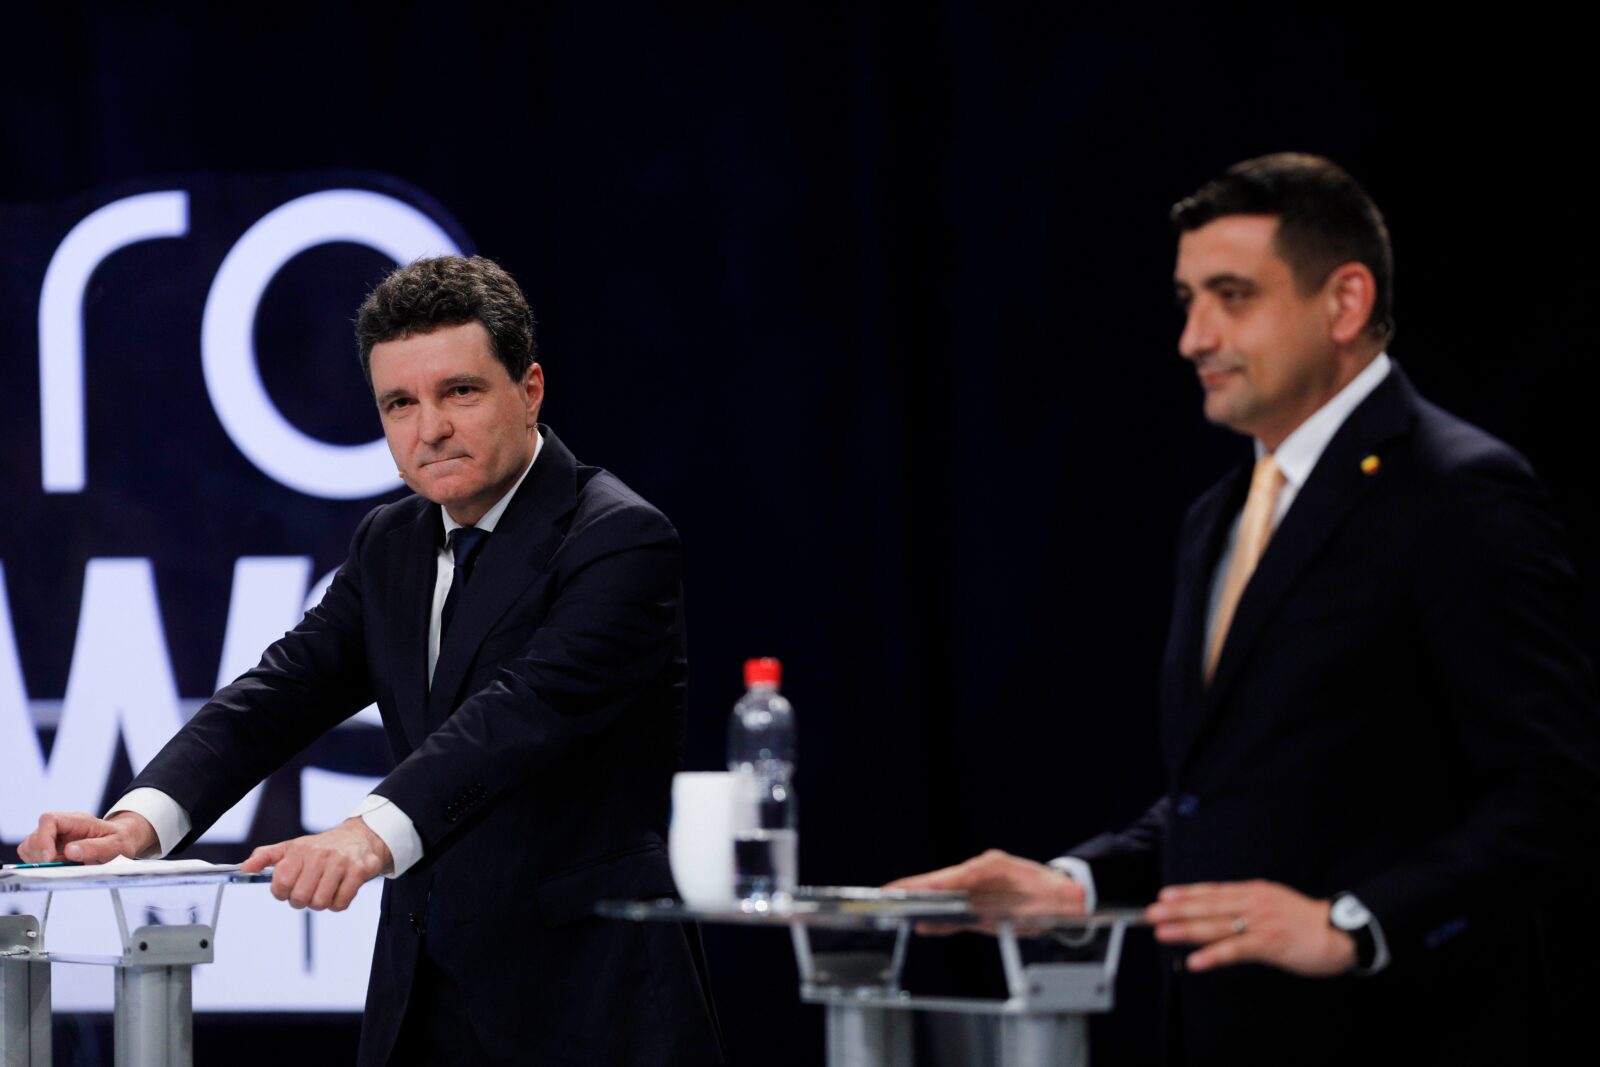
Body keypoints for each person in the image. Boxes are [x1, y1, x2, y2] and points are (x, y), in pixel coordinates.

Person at [891, 154, 1600, 1064]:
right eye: (1188, 301)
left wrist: (1356, 924)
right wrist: (1074, 886)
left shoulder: (1457, 493)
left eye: (1232, 297)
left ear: (1344, 303)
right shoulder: (1218, 516)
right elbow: (1230, 794)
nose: (1194, 338)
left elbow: (1549, 798)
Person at [18, 256, 724, 1066]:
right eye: (400, 403)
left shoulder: (619, 538)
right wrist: (141, 822)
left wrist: (367, 833)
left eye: (460, 391)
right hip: (423, 1006)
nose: (431, 428)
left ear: (529, 389)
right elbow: (282, 690)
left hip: (591, 1007)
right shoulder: (391, 542)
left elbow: (522, 713)